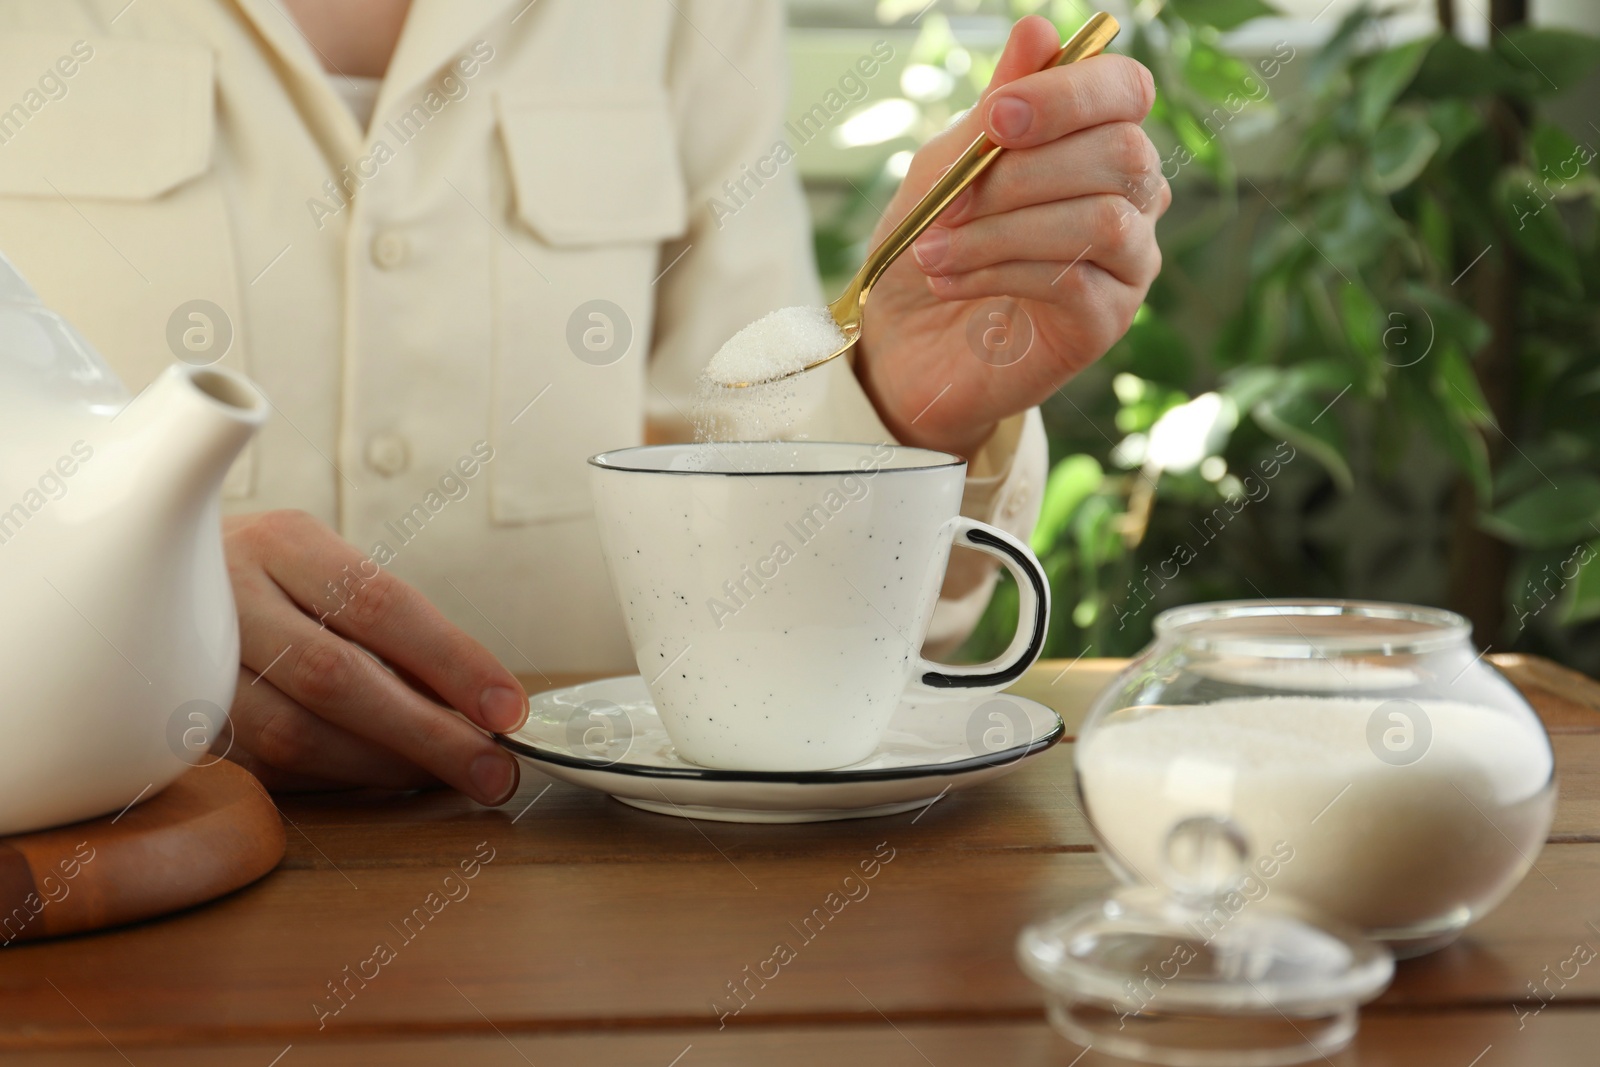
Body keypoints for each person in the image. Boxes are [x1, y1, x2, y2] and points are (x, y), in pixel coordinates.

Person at [0, 1, 1167, 806]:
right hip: (105, 871)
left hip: (610, 878)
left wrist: (906, 415)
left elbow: (732, 441)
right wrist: (128, 621)